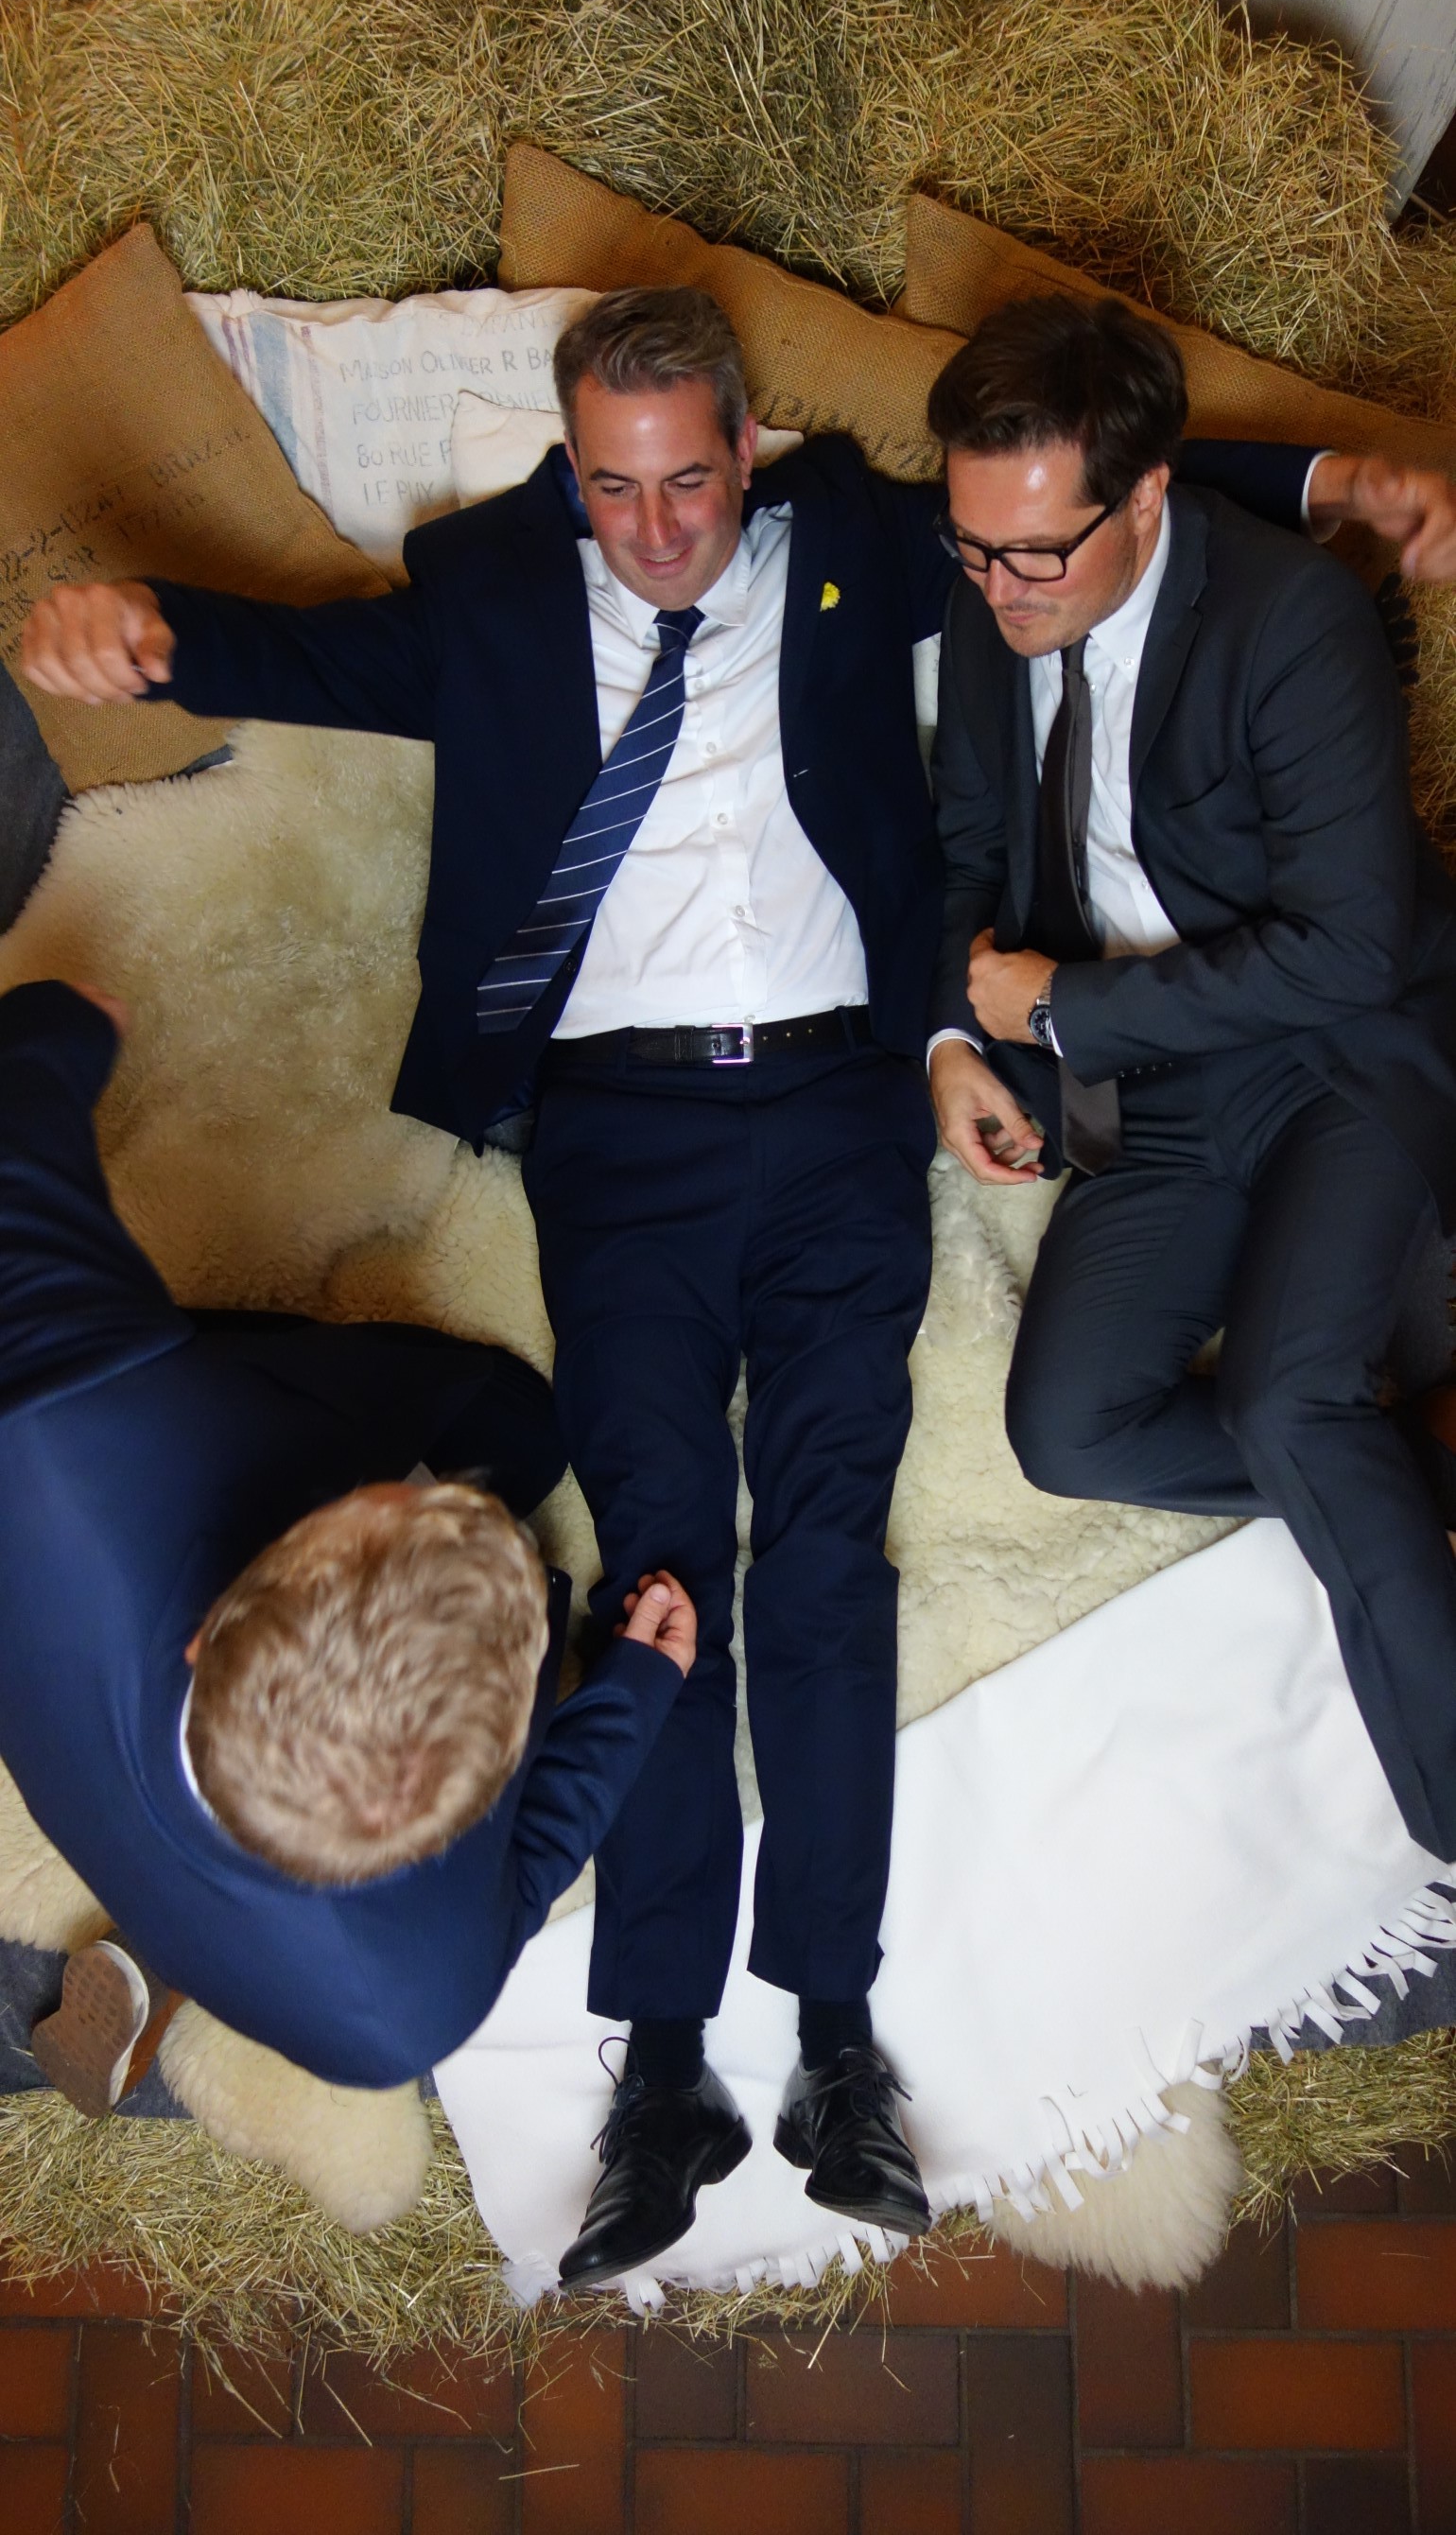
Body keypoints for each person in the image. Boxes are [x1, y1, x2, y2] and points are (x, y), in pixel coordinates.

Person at [20, 286, 1455, 2281]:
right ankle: (665, 2060)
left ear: (744, 445)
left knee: (829, 1542)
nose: (659, 530)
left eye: (691, 481)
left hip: (840, 1101)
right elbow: (310, 653)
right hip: (616, 1130)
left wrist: (1318, 476)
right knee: (656, 1567)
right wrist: (151, 632)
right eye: (616, 490)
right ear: (571, 470)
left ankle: (838, 2034)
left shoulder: (866, 544)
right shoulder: (492, 597)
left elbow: (1083, 496)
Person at [927, 291, 1456, 1865]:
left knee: (1292, 1395)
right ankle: (1409, 1459)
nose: (1002, 590)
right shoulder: (993, 591)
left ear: (1150, 497)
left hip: (1333, 1054)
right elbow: (962, 845)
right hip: (1150, 1092)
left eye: (1039, 555)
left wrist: (1067, 1005)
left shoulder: (1292, 622)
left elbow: (1352, 949)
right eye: (974, 548)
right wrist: (955, 1041)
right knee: (1069, 1428)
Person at [0, 976, 696, 2110]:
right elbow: (516, 1883)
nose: (444, 1510)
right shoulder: (401, 2014)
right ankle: (175, 1947)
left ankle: (171, 1941)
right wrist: (631, 1694)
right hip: (177, 1830)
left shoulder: (45, 1431)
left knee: (508, 1428)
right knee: (513, 1430)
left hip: (90, 1716)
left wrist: (69, 1023)